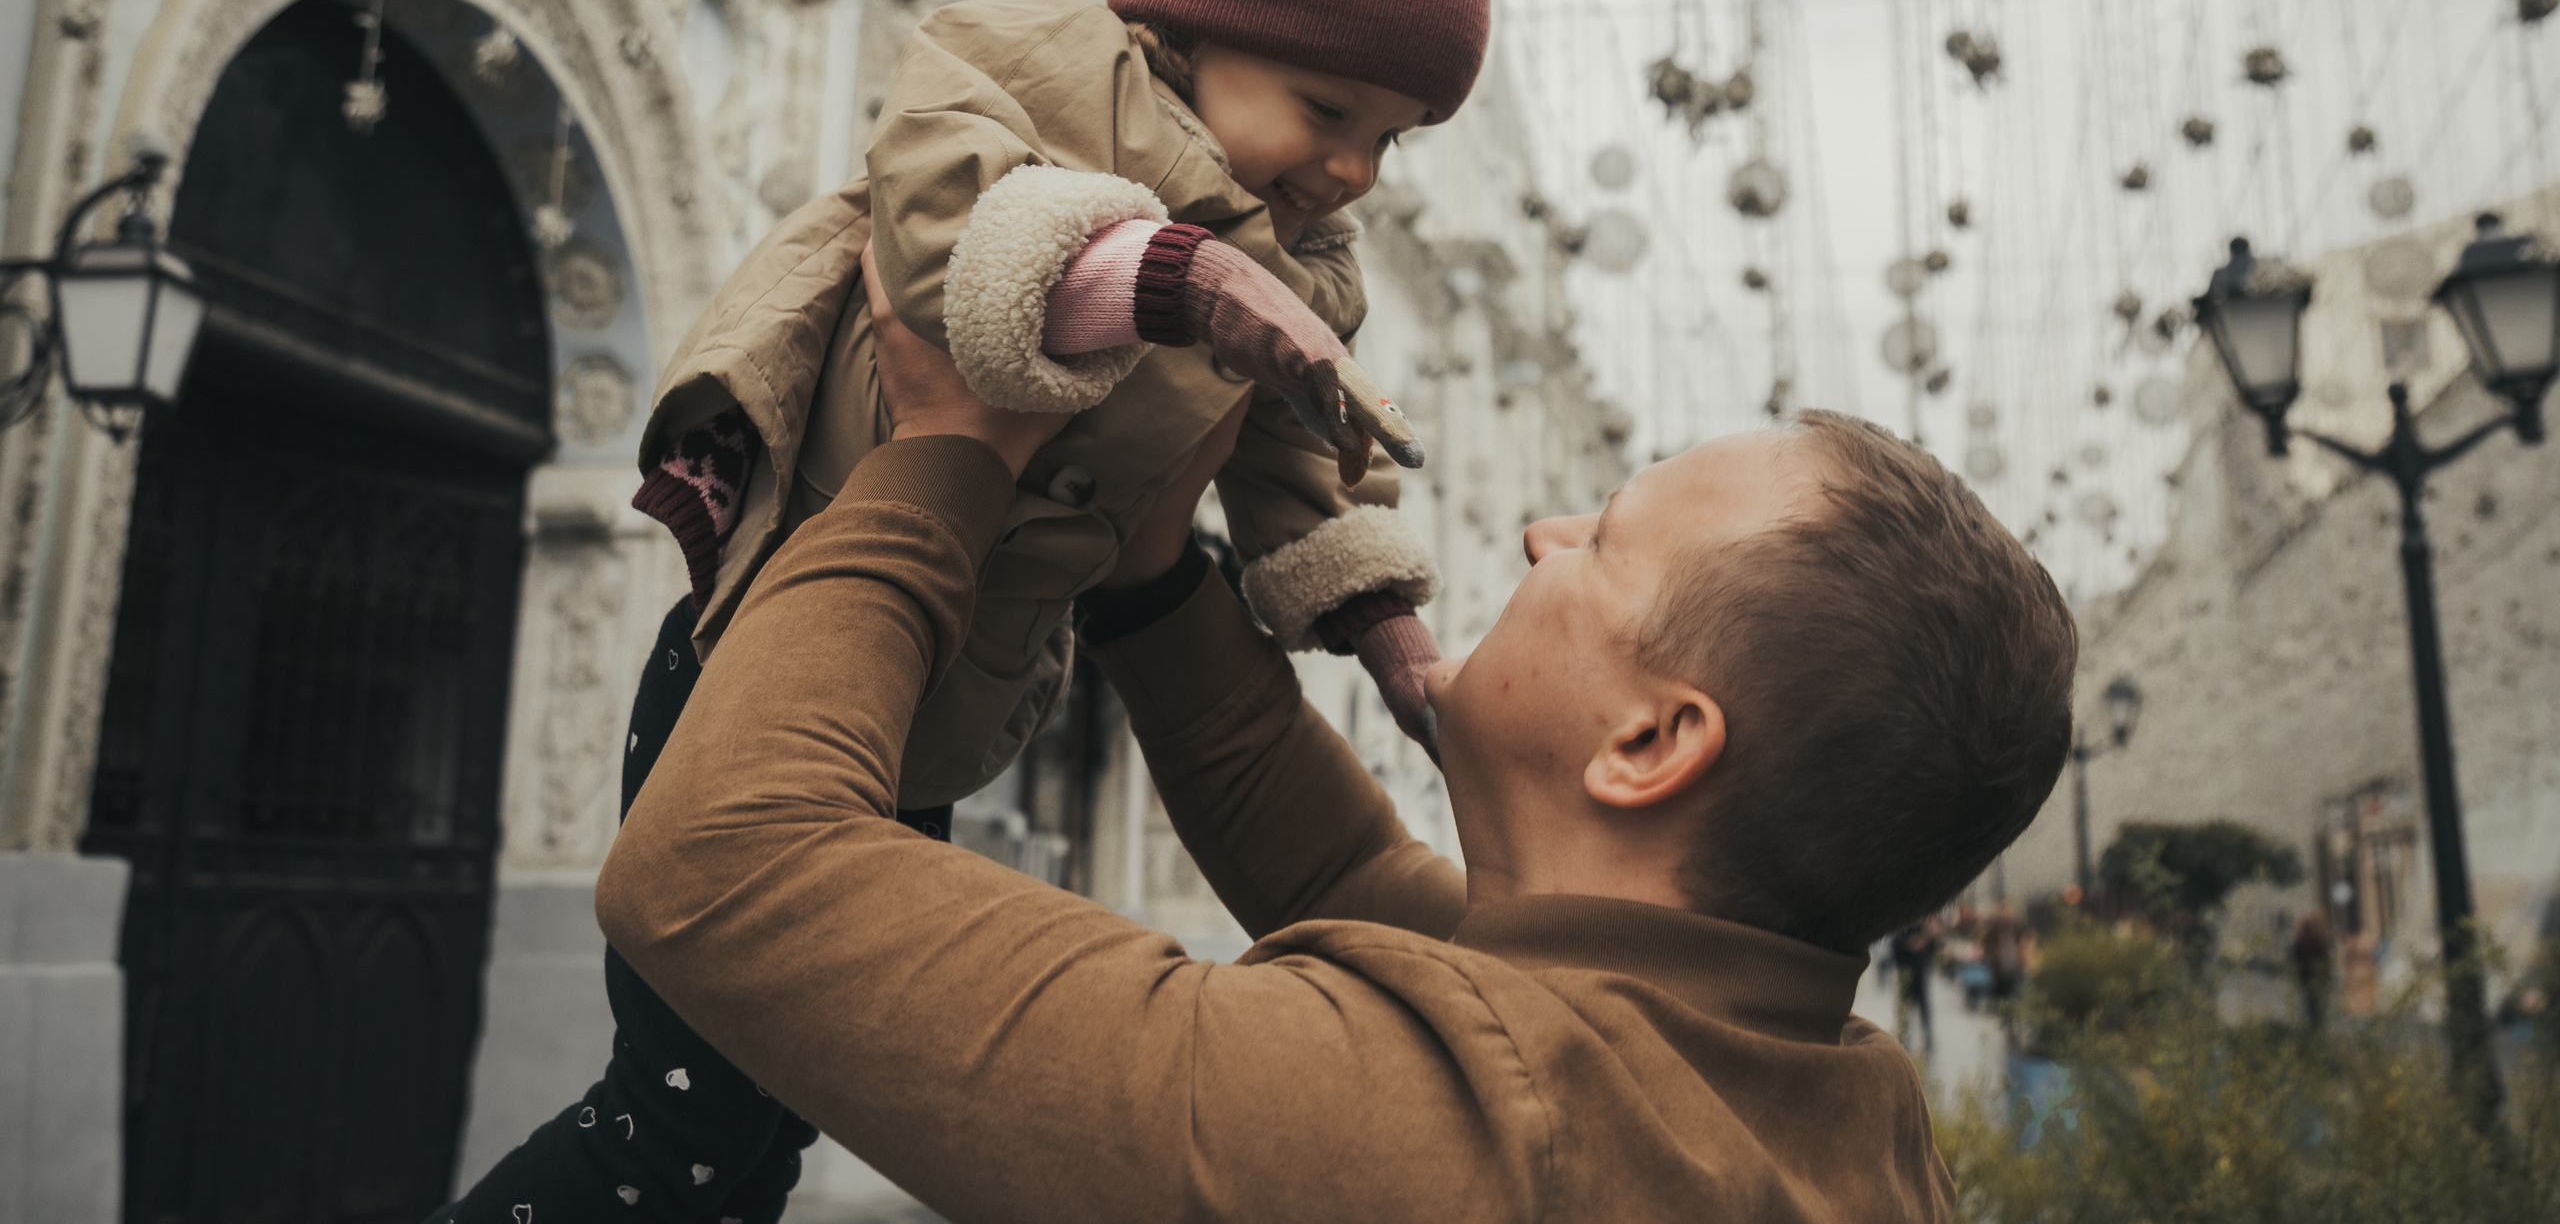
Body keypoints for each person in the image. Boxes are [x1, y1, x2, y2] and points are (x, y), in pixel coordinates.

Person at [436, 0, 1486, 1222]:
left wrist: (1384, 631)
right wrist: (1176, 280)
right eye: (1332, 112)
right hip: (768, 670)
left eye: (1393, 138)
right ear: (1196, 19)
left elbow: (1297, 482)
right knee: (668, 1131)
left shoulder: (1312, 270)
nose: (1356, 172)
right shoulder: (1029, 65)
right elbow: (951, 248)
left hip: (936, 717)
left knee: (754, 1141)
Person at [588, 255, 2082, 1222]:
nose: (1542, 531)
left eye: (1606, 541)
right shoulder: (1820, 1086)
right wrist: (1155, 572)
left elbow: (722, 864)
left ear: (1650, 741)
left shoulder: (1455, 1142)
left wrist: (943, 458)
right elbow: (1354, 873)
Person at [1892, 917, 1945, 1053]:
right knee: (1905, 1007)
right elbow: (1895, 950)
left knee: (1924, 1007)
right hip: (1906, 976)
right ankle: (1904, 1037)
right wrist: (1910, 944)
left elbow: (1936, 947)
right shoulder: (1902, 929)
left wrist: (1931, 938)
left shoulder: (1925, 930)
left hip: (1920, 976)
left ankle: (1927, 1035)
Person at [2291, 910, 2335, 1032]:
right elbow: (2324, 959)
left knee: (2312, 1003)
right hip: (2314, 977)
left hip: (2308, 977)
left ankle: (2315, 1028)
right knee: (2316, 1003)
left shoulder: (2303, 941)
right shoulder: (2315, 940)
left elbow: (2295, 959)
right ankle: (2317, 1027)